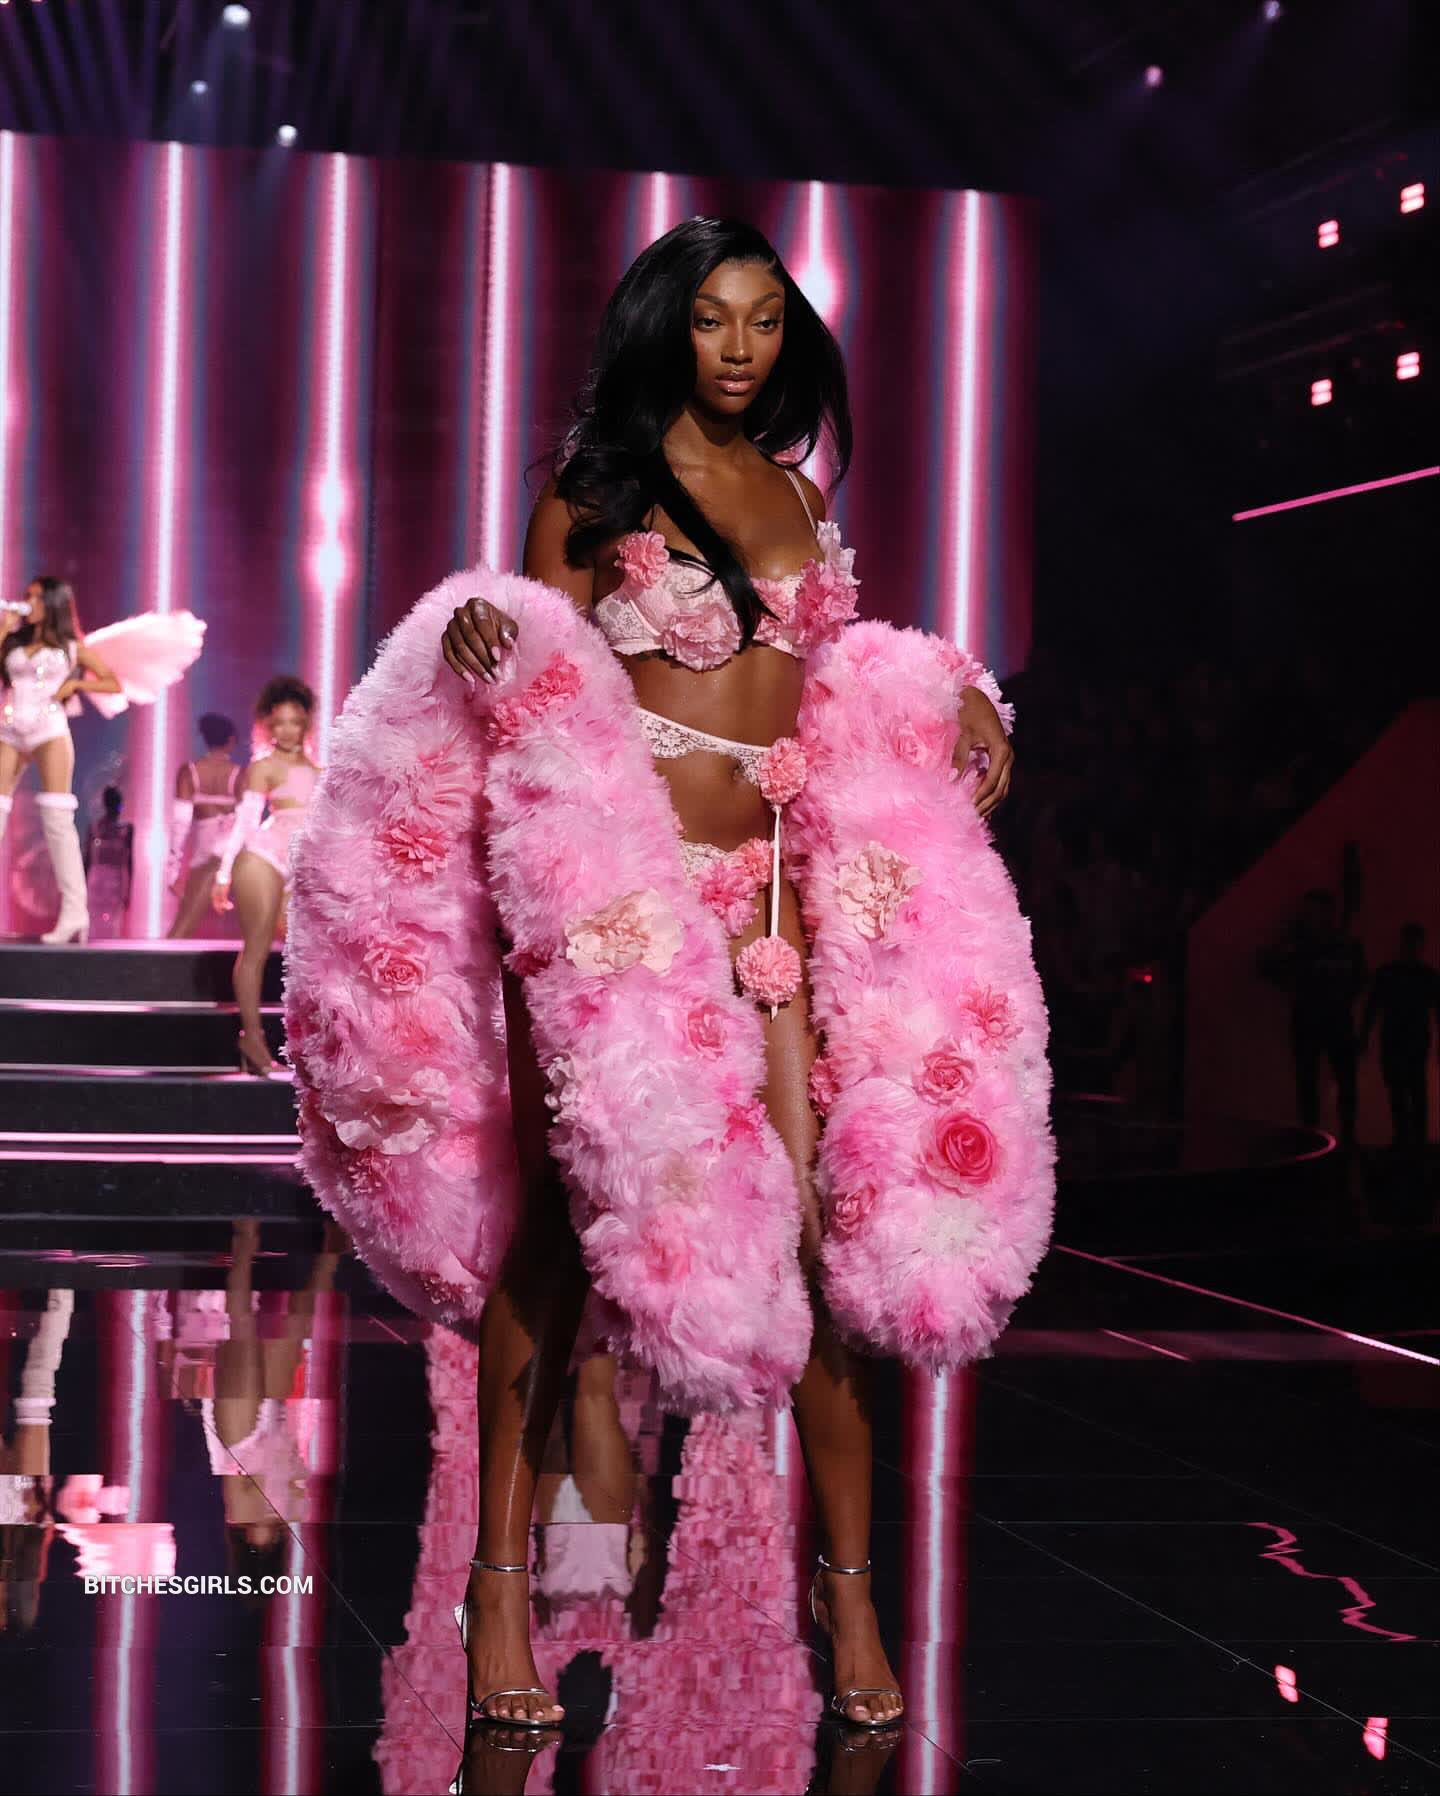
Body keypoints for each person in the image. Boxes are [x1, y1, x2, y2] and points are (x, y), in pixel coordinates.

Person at [286, 216, 1052, 1737]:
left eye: (766, 319)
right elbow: (528, 691)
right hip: (620, 907)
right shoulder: (594, 492)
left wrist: (957, 698)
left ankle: (848, 1593)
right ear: (667, 327)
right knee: (563, 1241)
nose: (742, 347)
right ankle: (498, 1588)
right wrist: (482, 632)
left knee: (824, 1233)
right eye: (713, 319)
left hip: (774, 900)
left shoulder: (800, 492)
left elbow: (844, 679)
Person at [0, 578, 122, 944]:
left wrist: (76, 685)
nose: (29, 602)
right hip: (10, 728)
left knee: (57, 820)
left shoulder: (71, 646)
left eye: (36, 597)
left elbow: (112, 682)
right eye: (28, 596)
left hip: (50, 730)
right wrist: (4, 630)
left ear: (52, 602)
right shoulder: (14, 641)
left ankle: (74, 914)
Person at [212, 677, 319, 1076]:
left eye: (295, 721)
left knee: (308, 954)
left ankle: (307, 1045)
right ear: (269, 726)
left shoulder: (321, 770)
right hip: (264, 856)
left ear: (306, 723)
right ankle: (252, 1037)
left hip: (304, 863)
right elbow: (244, 824)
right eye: (280, 722)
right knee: (256, 949)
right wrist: (223, 874)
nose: (287, 730)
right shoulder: (264, 767)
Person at [1261, 887, 1367, 1146]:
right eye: (1309, 911)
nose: (1311, 916)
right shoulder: (1302, 944)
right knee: (1312, 1082)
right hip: (1315, 1018)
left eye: (1315, 911)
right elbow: (1269, 968)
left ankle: (1338, 1138)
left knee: (1341, 1082)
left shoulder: (1341, 944)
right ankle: (1318, 1139)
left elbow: (1360, 977)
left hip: (1330, 1018)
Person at [1362, 923, 1440, 1156]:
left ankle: (1405, 1140)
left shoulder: (1390, 973)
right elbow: (1372, 1007)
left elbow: (1372, 1008)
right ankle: (1414, 1141)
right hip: (1408, 1038)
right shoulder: (1426, 975)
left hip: (1400, 1038)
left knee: (1405, 1089)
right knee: (1410, 1090)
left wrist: (1364, 1036)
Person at [167, 713, 243, 939]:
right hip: (234, 854)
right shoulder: (239, 774)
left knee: (184, 926)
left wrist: (172, 870)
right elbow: (245, 822)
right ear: (231, 740)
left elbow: (180, 825)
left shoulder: (190, 772)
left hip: (207, 854)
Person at [81, 784, 134, 939]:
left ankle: (105, 947)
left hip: (113, 881)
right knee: (95, 919)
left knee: (112, 921)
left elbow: (130, 862)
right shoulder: (95, 828)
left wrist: (128, 891)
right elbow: (87, 860)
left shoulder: (126, 829)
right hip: (99, 880)